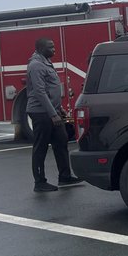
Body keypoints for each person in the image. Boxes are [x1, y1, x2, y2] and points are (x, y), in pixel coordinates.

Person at [26, 38, 82, 192]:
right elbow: (40, 92)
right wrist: (52, 114)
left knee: (61, 141)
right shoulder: (36, 65)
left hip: (52, 111)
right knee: (41, 147)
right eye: (51, 47)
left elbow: (51, 90)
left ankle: (65, 177)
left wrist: (60, 109)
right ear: (41, 48)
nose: (54, 49)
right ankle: (39, 182)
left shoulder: (45, 62)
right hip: (41, 112)